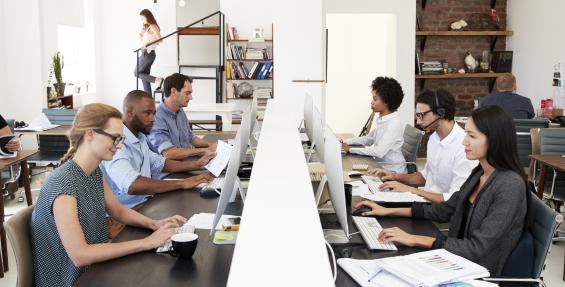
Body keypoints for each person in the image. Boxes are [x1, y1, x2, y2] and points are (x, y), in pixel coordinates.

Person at [355, 105, 531, 276]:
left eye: (471, 136)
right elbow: (444, 210)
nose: (464, 141)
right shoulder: (480, 173)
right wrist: (388, 211)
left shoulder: (510, 185)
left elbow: (477, 249)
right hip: (456, 260)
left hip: (478, 271)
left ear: (494, 140)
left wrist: (413, 239)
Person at [31, 103, 184, 287]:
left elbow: (118, 211)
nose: (118, 146)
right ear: (90, 134)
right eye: (115, 138)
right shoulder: (63, 184)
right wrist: (146, 242)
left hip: (96, 270)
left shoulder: (93, 172)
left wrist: (155, 224)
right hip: (73, 280)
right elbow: (80, 255)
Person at [101, 90, 214, 238]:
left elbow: (160, 163)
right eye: (147, 113)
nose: (153, 119)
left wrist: (197, 165)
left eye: (154, 113)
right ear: (130, 112)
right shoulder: (117, 143)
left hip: (144, 206)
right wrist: (182, 183)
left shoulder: (140, 137)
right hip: (122, 218)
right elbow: (132, 185)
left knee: (188, 220)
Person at [369, 89, 477, 203]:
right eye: (417, 115)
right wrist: (395, 176)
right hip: (426, 203)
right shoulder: (434, 138)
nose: (418, 122)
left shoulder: (464, 147)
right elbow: (425, 177)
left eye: (421, 115)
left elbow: (455, 199)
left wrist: (411, 190)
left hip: (442, 213)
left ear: (441, 112)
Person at [341, 77, 407, 173]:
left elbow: (378, 152)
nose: (372, 102)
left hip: (392, 171)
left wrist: (350, 149)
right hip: (379, 166)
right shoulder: (383, 119)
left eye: (375, 99)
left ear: (386, 102)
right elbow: (368, 139)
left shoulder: (393, 123)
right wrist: (344, 141)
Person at [148, 73, 216, 160]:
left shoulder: (180, 111)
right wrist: (204, 150)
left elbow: (191, 137)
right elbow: (169, 153)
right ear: (173, 92)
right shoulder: (157, 117)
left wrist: (211, 145)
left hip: (185, 161)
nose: (191, 97)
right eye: (187, 93)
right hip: (172, 169)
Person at [134, 9, 164, 96]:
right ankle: (149, 98)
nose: (142, 20)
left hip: (148, 53)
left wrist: (149, 43)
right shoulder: (148, 27)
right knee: (144, 77)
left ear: (148, 17)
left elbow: (160, 40)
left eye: (143, 18)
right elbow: (151, 40)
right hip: (146, 53)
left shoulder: (153, 26)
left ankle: (157, 80)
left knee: (136, 73)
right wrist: (142, 36)